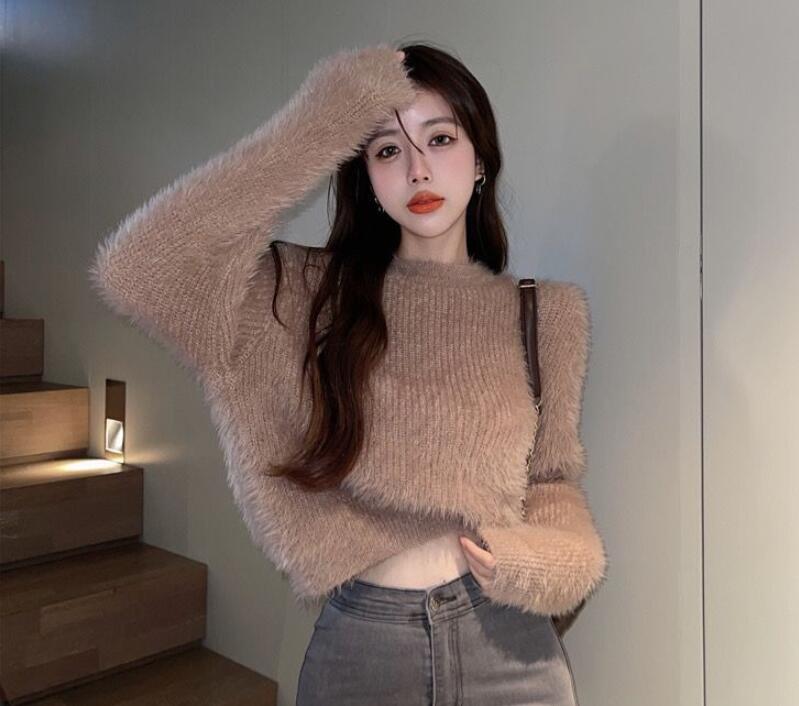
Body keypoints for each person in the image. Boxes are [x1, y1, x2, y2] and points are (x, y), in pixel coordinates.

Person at [88, 40, 607, 706]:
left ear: (480, 159)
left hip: (510, 648)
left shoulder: (543, 314)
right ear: (364, 174)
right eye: (387, 149)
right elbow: (135, 271)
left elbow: (553, 484)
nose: (417, 170)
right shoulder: (300, 296)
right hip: (364, 649)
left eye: (440, 138)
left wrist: (539, 564)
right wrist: (322, 120)